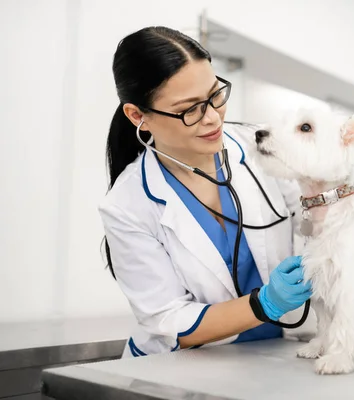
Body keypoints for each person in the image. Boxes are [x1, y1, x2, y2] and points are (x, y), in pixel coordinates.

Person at [99, 26, 312, 358]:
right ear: (138, 115)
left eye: (215, 95)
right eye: (189, 109)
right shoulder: (127, 205)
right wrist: (264, 303)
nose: (213, 118)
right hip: (180, 366)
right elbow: (168, 319)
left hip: (271, 353)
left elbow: (316, 210)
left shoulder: (261, 145)